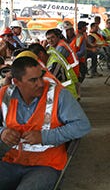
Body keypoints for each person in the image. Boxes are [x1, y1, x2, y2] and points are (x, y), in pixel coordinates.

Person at [0, 56, 91, 190]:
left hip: (46, 164)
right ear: (17, 82)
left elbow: (82, 126)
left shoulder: (59, 95)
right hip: (10, 161)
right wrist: (3, 132)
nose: (41, 83)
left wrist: (44, 137)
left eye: (40, 77)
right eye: (33, 80)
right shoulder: (4, 95)